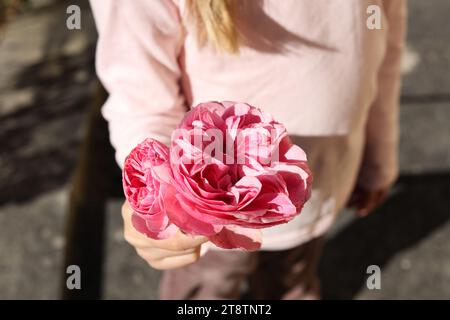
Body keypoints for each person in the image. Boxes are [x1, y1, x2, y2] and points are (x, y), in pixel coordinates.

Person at [90, 0, 406, 299]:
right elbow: (142, 99)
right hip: (210, 223)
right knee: (209, 288)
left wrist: (379, 159)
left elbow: (384, 50)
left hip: (322, 184)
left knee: (292, 278)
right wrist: (159, 199)